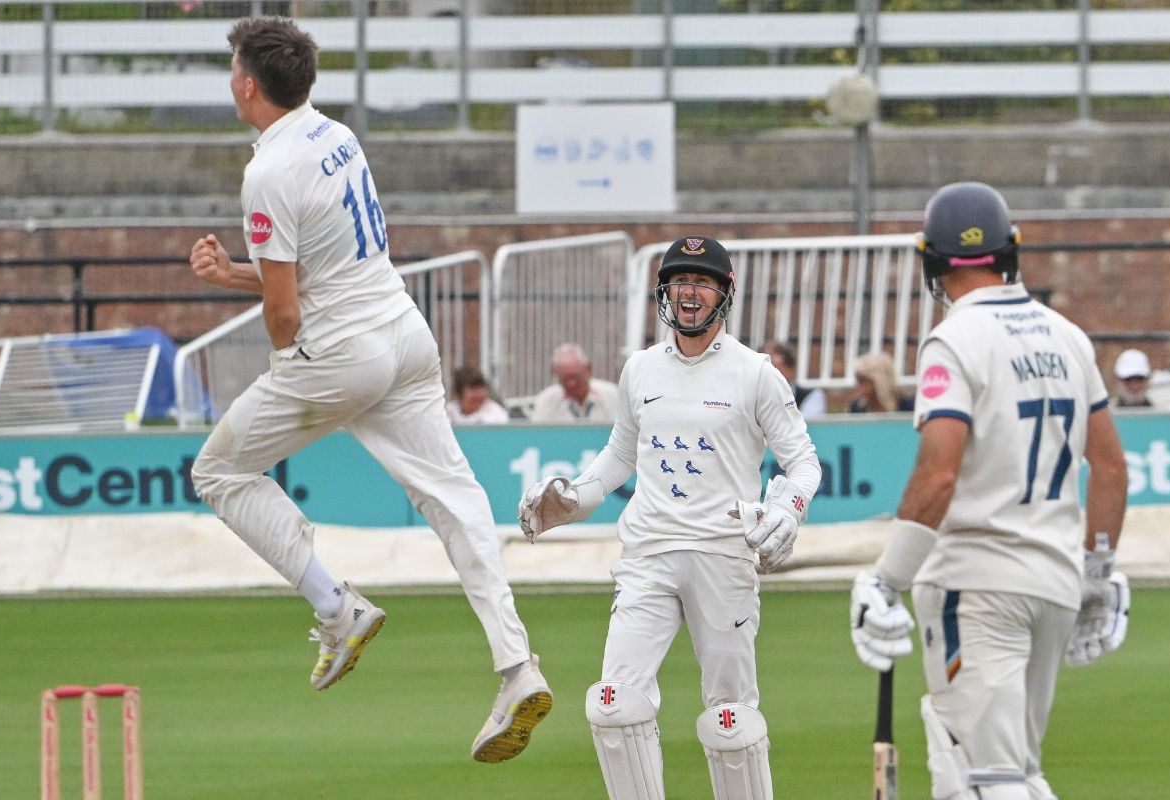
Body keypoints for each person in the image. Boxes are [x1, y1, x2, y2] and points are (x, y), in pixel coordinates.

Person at [185, 16, 550, 764]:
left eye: (232, 69)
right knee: (457, 502)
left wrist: (295, 359)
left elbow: (287, 312)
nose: (230, 79)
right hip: (405, 333)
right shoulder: (338, 135)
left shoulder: (266, 171)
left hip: (343, 352)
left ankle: (335, 605)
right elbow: (325, 263)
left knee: (218, 471)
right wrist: (233, 276)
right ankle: (518, 668)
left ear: (249, 84)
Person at [847, 182, 1130, 800]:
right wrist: (1098, 570)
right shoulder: (1068, 336)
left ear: (932, 261)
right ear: (1009, 252)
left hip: (976, 586)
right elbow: (1110, 470)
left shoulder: (954, 339)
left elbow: (939, 472)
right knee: (1017, 774)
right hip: (1054, 584)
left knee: (978, 779)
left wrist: (887, 577)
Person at [518, 235, 821, 800]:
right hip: (648, 552)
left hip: (723, 553)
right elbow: (620, 457)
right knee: (615, 705)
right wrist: (574, 498)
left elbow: (803, 462)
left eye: (702, 282)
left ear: (725, 294)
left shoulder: (754, 373)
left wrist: (786, 510)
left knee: (732, 720)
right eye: (680, 280)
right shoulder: (639, 370)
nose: (689, 292)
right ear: (665, 291)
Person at [529, 343, 619, 422]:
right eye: (565, 379)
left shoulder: (613, 396)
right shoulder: (546, 402)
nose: (571, 384)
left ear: (589, 370)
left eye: (575, 377)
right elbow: (536, 437)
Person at [761, 341, 828, 420]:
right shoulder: (752, 394)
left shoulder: (811, 395)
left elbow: (805, 425)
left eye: (775, 367)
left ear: (789, 369)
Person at [847, 351, 913, 413]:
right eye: (858, 381)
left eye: (862, 381)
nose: (858, 387)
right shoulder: (857, 409)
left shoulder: (909, 406)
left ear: (879, 381)